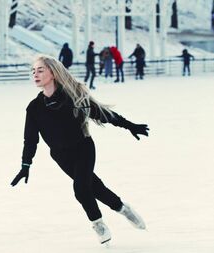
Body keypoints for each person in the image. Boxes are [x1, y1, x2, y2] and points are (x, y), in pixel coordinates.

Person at [10, 54, 148, 245]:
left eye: (40, 70)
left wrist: (130, 125)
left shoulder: (72, 97)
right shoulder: (34, 108)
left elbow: (102, 114)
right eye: (33, 71)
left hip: (83, 148)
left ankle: (98, 224)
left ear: (53, 72)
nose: (35, 74)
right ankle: (123, 209)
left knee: (81, 189)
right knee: (96, 189)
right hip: (60, 156)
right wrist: (26, 164)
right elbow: (30, 139)